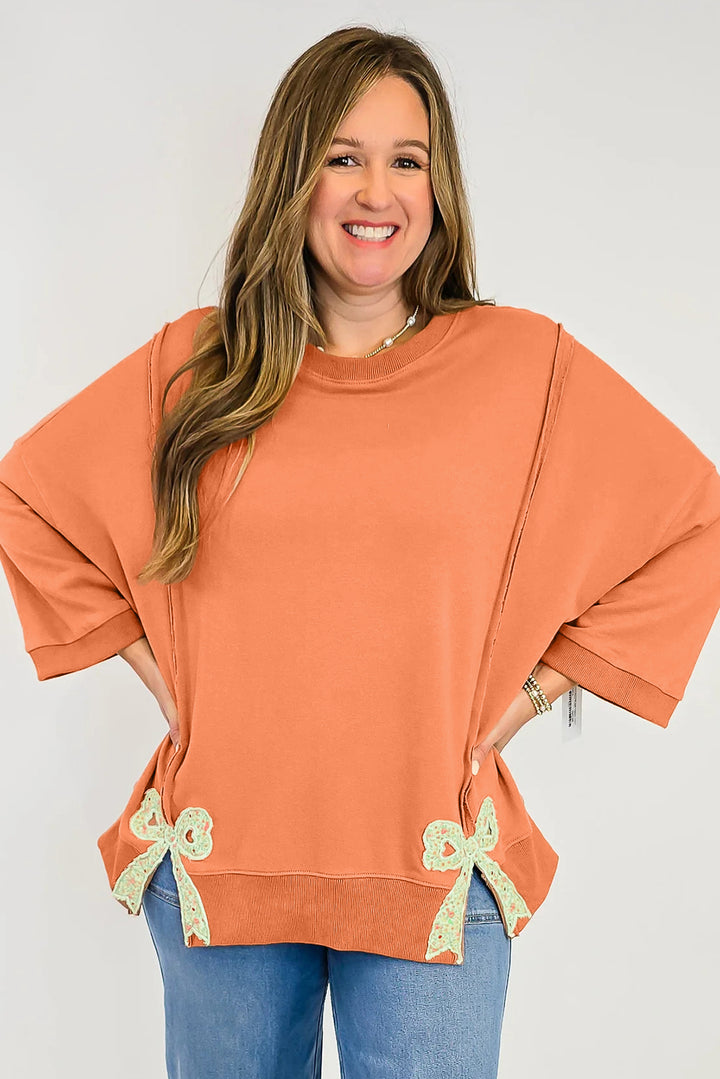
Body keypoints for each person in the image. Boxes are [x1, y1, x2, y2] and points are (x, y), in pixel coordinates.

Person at [1, 24, 719, 1079]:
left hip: (432, 865)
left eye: (406, 160)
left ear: (439, 186)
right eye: (344, 157)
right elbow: (29, 497)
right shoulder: (197, 367)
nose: (376, 191)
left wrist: (523, 697)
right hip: (226, 859)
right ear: (294, 177)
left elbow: (692, 520)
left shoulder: (524, 368)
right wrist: (172, 679)